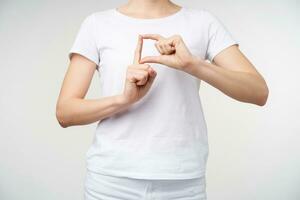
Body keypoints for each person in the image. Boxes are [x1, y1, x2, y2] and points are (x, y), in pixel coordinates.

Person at [56, 0, 269, 199]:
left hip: (183, 183)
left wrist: (193, 65)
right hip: (111, 182)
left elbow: (258, 91)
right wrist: (124, 99)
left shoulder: (203, 22)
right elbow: (65, 112)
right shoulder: (97, 24)